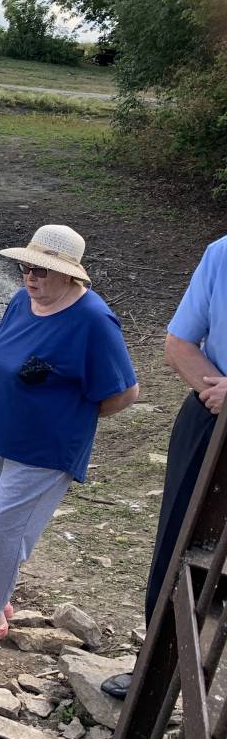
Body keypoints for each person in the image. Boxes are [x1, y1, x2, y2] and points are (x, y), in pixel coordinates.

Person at [0, 225, 138, 653]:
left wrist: (68, 419)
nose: (30, 276)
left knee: (5, 528)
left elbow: (125, 392)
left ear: (71, 275)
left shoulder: (93, 320)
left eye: (42, 270)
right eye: (26, 267)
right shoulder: (23, 300)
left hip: (45, 448)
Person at [103, 234, 226, 699]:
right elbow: (178, 344)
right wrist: (218, 396)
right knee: (177, 546)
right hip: (207, 413)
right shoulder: (222, 253)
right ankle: (155, 672)